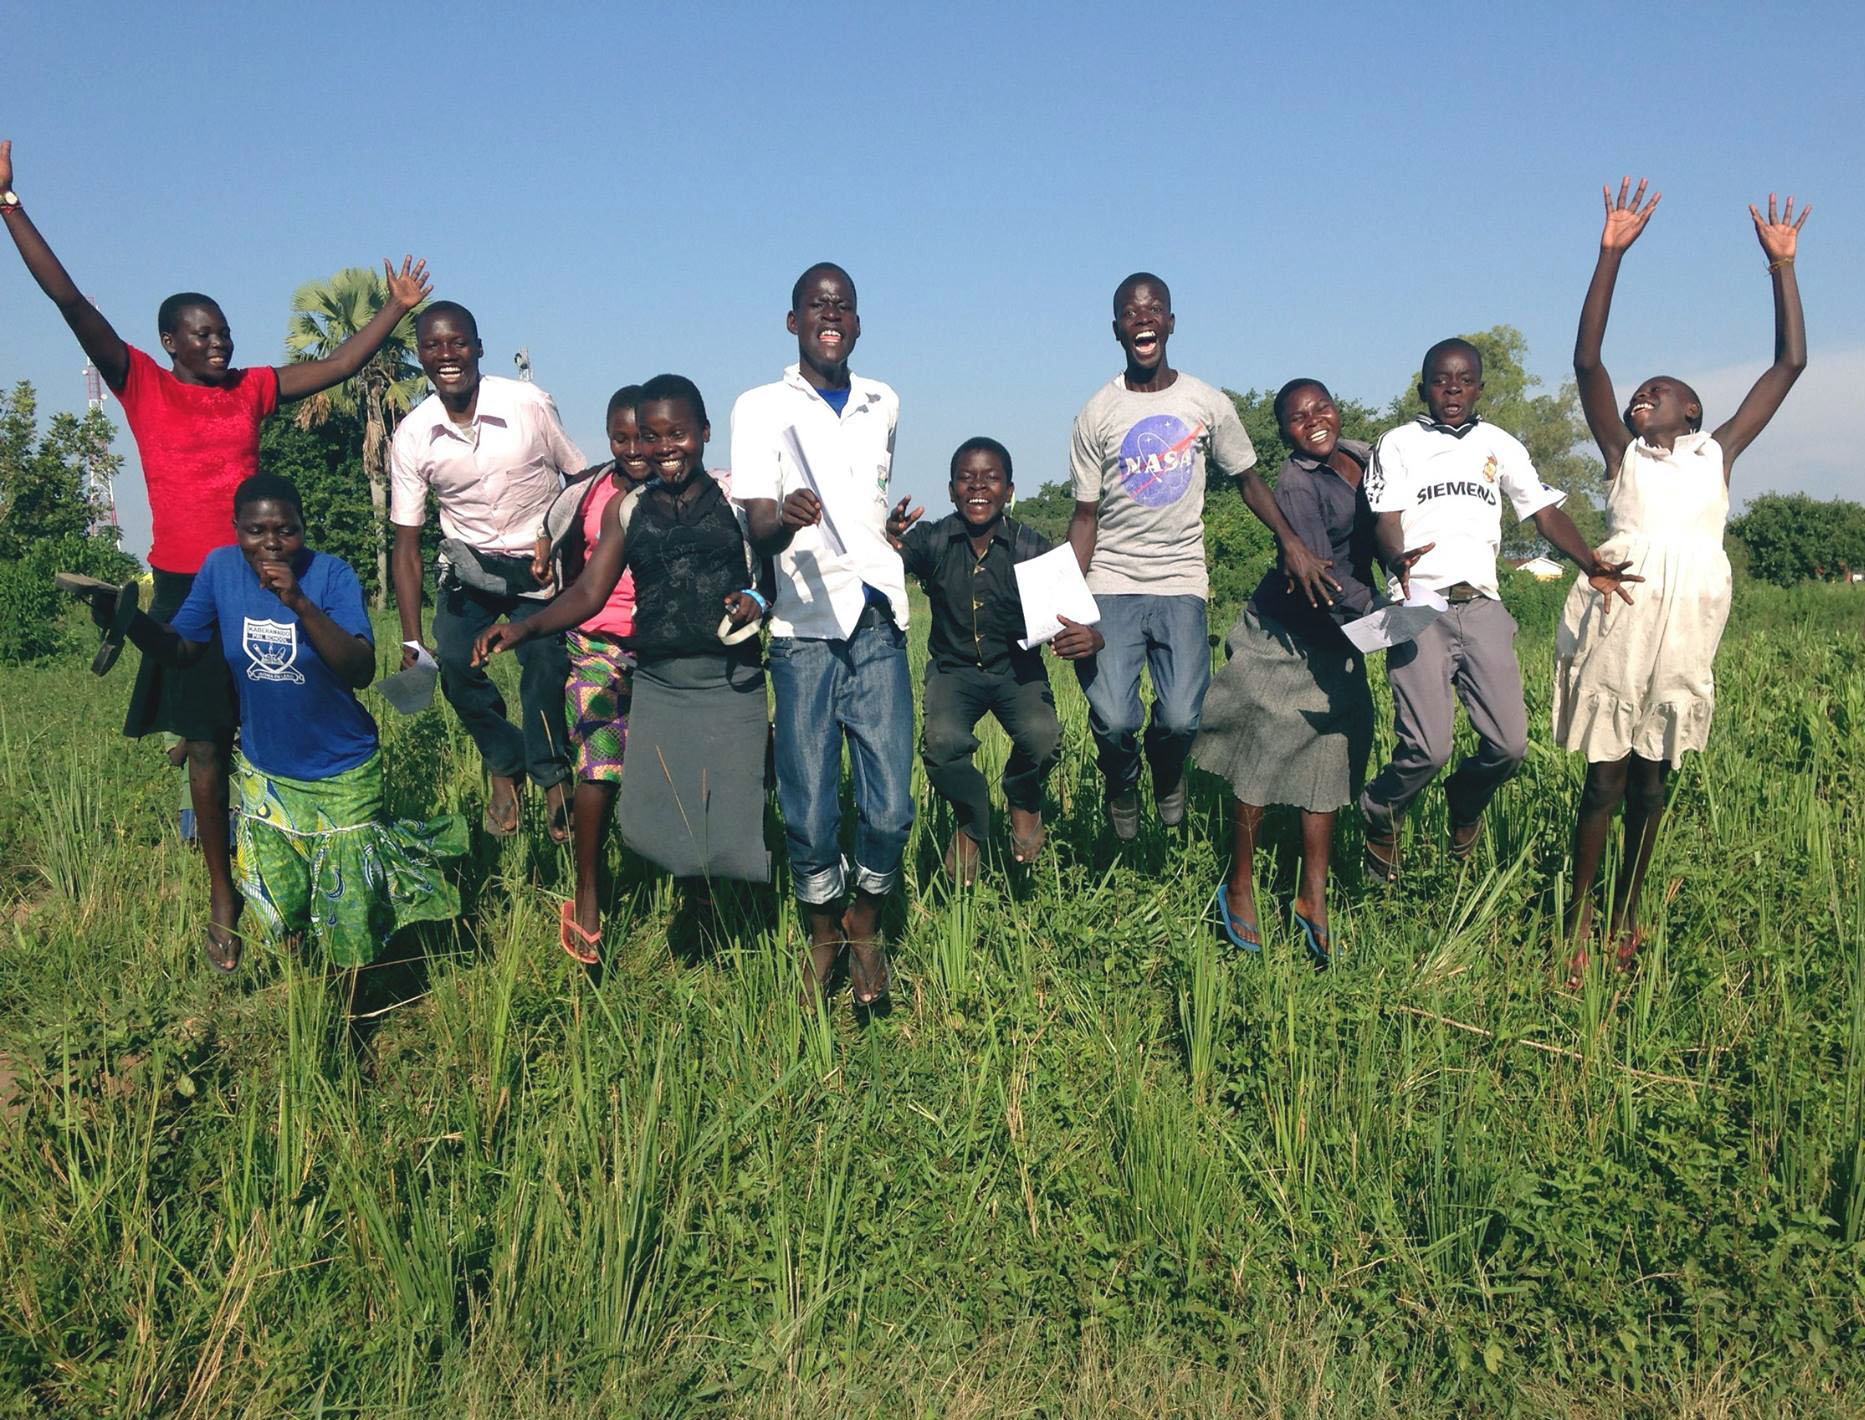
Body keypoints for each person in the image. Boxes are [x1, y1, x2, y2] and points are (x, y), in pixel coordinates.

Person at [0, 139, 433, 967]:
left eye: (224, 333)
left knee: (274, 724)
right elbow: (69, 300)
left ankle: (302, 855)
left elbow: (341, 362)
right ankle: (221, 898)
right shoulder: (141, 384)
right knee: (205, 744)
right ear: (167, 341)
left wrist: (394, 308)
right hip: (186, 583)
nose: (217, 346)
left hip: (265, 578)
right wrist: (10, 207)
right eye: (200, 336)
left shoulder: (252, 389)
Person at [1555, 180, 1809, 978]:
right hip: (1624, 617)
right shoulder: (1619, 456)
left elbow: (1790, 362)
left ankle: (1628, 916)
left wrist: (1780, 269)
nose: (1640, 395)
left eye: (1657, 392)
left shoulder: (1718, 454)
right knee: (1603, 779)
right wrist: (1610, 254)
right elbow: (1587, 359)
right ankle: (1577, 922)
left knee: (1652, 784)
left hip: (1688, 623)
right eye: (1639, 393)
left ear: (1691, 413)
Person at [73, 475, 465, 977]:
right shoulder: (219, 570)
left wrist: (298, 602)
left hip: (341, 769)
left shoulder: (332, 575)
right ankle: (307, 992)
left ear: (304, 528)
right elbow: (181, 649)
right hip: (267, 770)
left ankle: (347, 1019)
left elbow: (361, 670)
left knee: (348, 914)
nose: (272, 543)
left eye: (286, 530)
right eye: (256, 531)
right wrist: (128, 622)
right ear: (236, 528)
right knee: (283, 905)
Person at [477, 375, 769, 959]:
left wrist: (756, 600)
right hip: (647, 670)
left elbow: (770, 580)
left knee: (726, 810)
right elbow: (588, 591)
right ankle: (591, 891)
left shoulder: (737, 504)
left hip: (726, 676)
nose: (661, 448)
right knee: (622, 793)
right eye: (650, 436)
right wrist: (525, 626)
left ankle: (706, 905)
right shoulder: (626, 508)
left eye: (677, 435)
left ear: (705, 434)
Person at [1067, 272, 1335, 841]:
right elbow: (1085, 516)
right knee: (1114, 719)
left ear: (1169, 322)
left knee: (1183, 718)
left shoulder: (1206, 402)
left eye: (1154, 309)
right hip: (1111, 580)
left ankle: (1167, 775)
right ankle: (1121, 780)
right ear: (1117, 329)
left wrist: (1291, 541)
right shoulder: (1096, 412)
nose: (1143, 319)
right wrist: (1066, 598)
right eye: (1131, 312)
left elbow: (1248, 478)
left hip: (1182, 579)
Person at [1359, 337, 1638, 882]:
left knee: (1509, 745)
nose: (1453, 389)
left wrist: (1589, 562)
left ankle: (1464, 801)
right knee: (1427, 749)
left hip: (1482, 605)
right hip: (1418, 608)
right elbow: (1385, 518)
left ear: (1480, 388)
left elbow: (1543, 513)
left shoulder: (1501, 445)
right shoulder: (1398, 443)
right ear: (1424, 387)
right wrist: (1397, 559)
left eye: (1464, 380)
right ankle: (1380, 814)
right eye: (1442, 380)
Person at [1194, 381, 1433, 964]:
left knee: (1330, 762)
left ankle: (1313, 898)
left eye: (1321, 407)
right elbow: (1323, 578)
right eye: (1298, 418)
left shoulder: (1364, 456)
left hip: (1341, 639)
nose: (1314, 421)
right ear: (1284, 433)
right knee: (1260, 758)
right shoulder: (1296, 485)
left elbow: (1385, 526)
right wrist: (1388, 615)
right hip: (1288, 633)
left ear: (1338, 408)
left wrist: (1401, 564)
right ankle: (1242, 885)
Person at [733, 262, 910, 1009]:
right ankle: (821, 930)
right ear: (792, 321)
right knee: (807, 808)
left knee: (892, 805)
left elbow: (866, 507)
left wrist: (884, 534)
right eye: (815, 305)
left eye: (842, 306)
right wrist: (786, 519)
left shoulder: (883, 401)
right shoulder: (759, 406)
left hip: (875, 616)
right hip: (803, 627)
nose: (829, 315)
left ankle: (865, 920)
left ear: (858, 324)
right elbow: (757, 523)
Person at [389, 301, 585, 844]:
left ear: (478, 348)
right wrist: (411, 637)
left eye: (457, 343)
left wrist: (556, 536)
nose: (446, 355)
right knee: (453, 663)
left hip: (539, 562)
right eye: (433, 345)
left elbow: (580, 478)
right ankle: (504, 764)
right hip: (469, 566)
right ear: (421, 355)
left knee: (545, 663)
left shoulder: (528, 404)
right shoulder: (412, 435)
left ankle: (551, 778)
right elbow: (406, 543)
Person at [886, 437, 1102, 885]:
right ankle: (972, 817)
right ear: (950, 490)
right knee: (942, 745)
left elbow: (1078, 618)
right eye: (966, 478)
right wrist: (889, 543)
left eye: (991, 478)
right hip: (954, 671)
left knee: (1043, 738)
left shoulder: (1031, 547)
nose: (978, 487)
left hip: (1015, 670)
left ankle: (1022, 796)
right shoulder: (934, 539)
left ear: (1009, 490)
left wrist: (1091, 638)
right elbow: (887, 565)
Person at [525, 385, 652, 960]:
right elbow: (552, 524)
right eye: (620, 438)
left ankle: (693, 888)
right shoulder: (589, 491)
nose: (634, 450)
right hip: (597, 644)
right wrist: (545, 550)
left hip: (665, 653)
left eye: (643, 437)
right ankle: (588, 889)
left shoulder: (683, 493)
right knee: (599, 765)